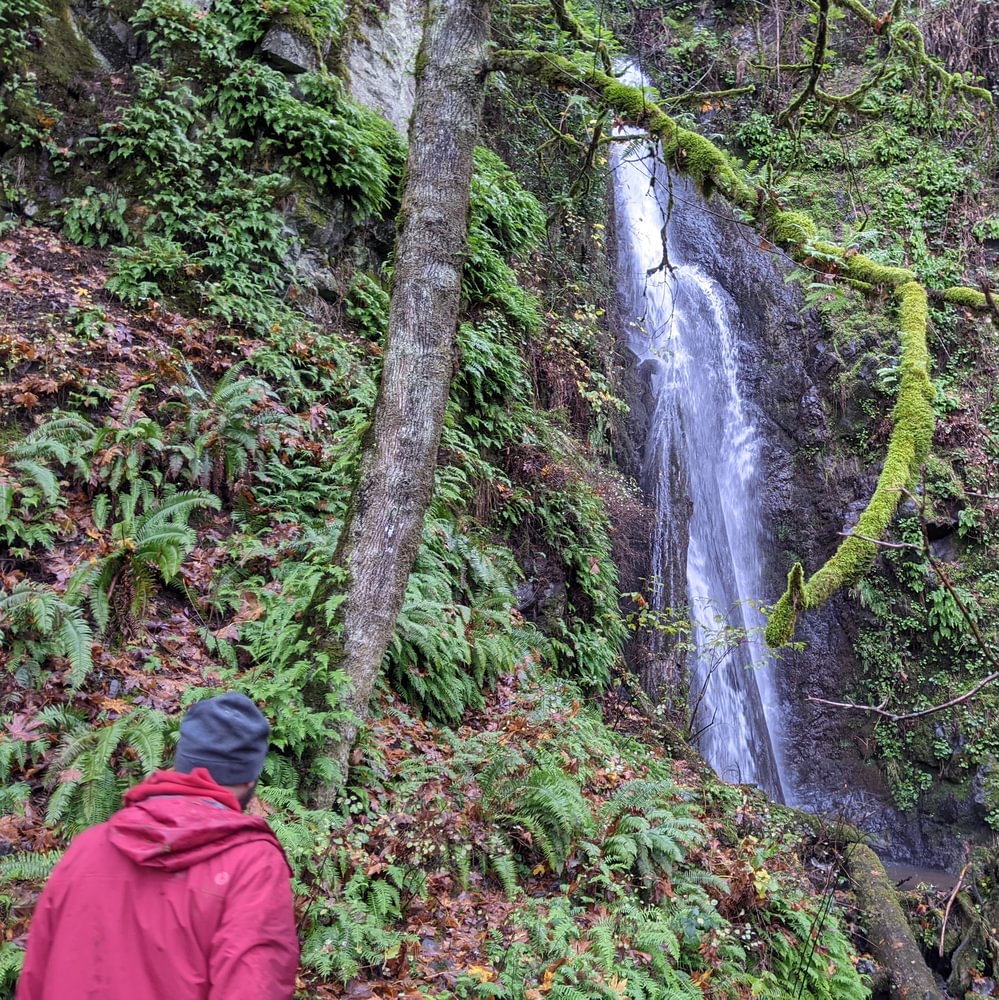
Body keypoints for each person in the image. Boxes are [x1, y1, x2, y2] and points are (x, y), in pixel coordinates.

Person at [16, 692, 299, 1000]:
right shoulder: (252, 865)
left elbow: (35, 977)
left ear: (181, 763)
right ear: (250, 780)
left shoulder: (89, 848)